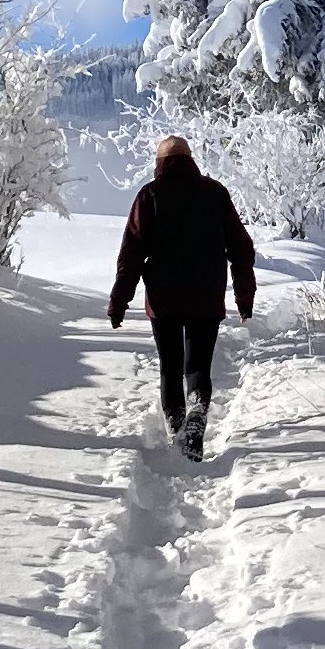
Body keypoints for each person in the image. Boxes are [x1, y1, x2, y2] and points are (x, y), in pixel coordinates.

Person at [107, 134, 257, 455]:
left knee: (170, 368)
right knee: (198, 366)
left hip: (164, 300)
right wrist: (244, 296)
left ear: (160, 163)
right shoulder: (215, 193)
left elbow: (131, 254)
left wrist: (119, 301)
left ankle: (177, 431)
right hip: (207, 296)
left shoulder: (150, 195)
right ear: (190, 160)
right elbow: (241, 248)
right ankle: (197, 414)